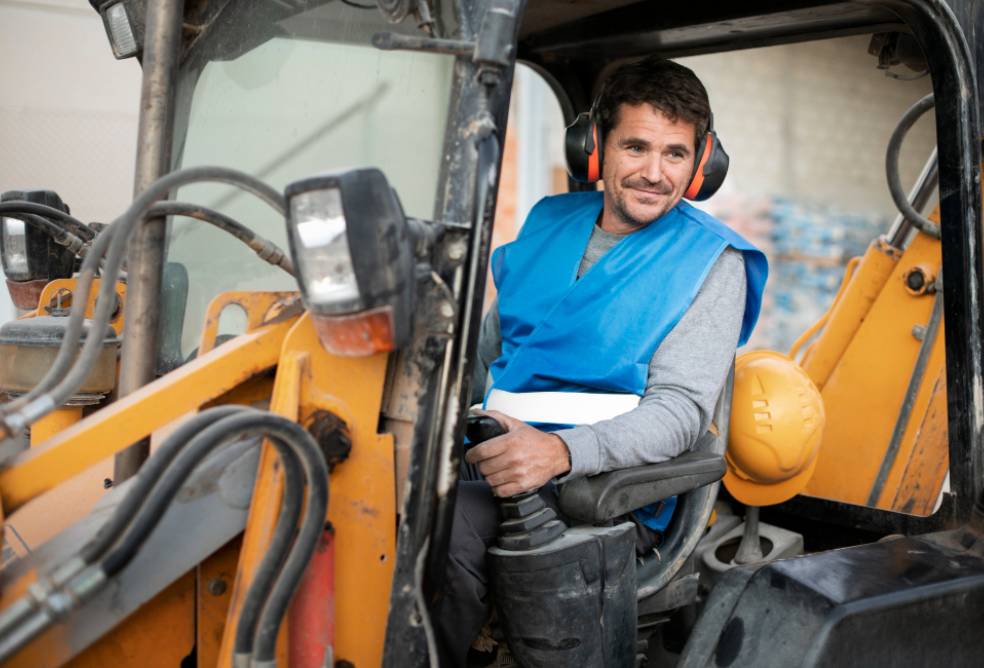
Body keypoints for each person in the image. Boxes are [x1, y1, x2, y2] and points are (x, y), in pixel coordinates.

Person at [434, 56, 767, 666]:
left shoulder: (713, 262)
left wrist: (559, 452)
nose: (654, 173)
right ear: (595, 148)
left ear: (701, 164)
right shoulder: (546, 224)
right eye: (636, 147)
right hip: (493, 458)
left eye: (674, 153)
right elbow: (485, 360)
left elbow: (679, 414)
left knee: (442, 528)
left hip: (602, 492)